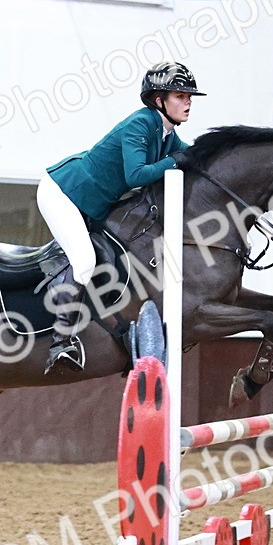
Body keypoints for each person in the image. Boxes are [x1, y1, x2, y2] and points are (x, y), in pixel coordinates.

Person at [37, 61, 205, 373]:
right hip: (63, 192)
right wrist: (175, 160)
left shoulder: (167, 135)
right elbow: (136, 175)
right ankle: (60, 343)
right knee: (85, 261)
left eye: (189, 97)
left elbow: (191, 157)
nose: (188, 102)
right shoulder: (139, 125)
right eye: (180, 96)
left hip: (91, 205)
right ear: (159, 100)